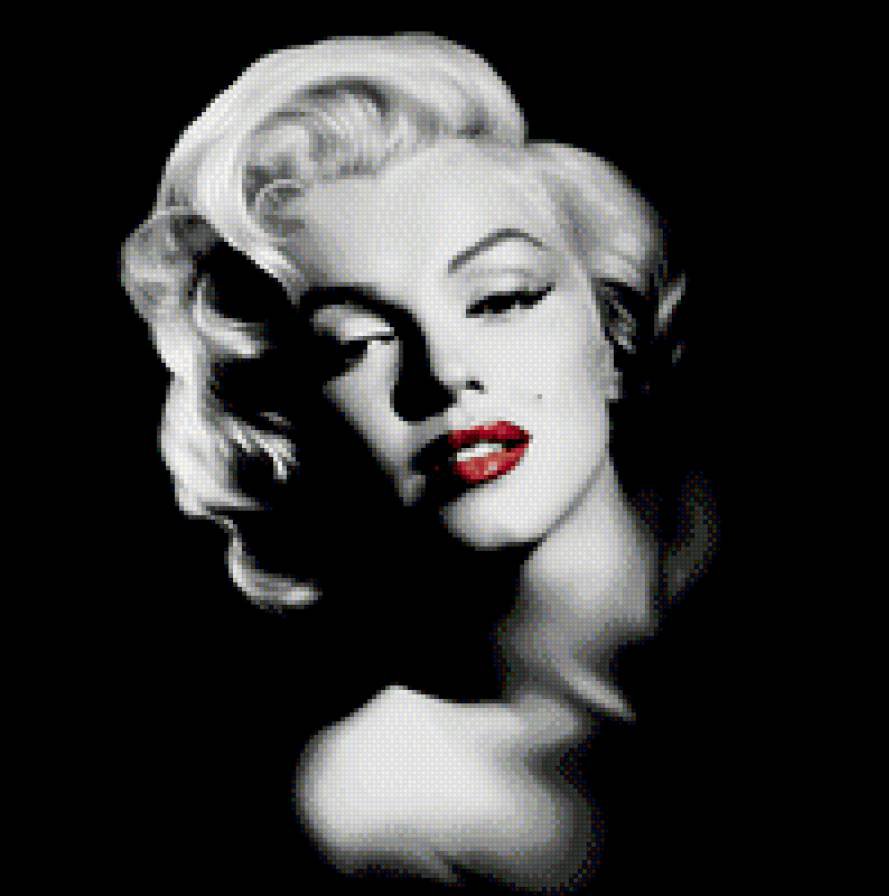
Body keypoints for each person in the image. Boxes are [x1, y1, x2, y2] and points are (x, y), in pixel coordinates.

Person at [120, 33, 717, 893]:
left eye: (501, 298)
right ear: (289, 429)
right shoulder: (392, 796)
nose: (441, 373)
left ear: (613, 333)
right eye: (354, 344)